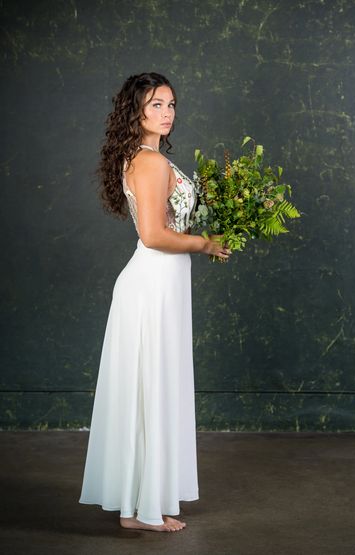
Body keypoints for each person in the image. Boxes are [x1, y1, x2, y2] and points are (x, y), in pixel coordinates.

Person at [78, 72, 231, 533]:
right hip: (151, 286)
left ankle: (142, 504)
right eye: (155, 104)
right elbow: (152, 234)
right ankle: (140, 510)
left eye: (170, 104)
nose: (166, 113)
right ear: (136, 111)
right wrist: (206, 243)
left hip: (163, 284)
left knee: (153, 389)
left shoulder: (152, 157)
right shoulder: (148, 162)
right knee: (150, 388)